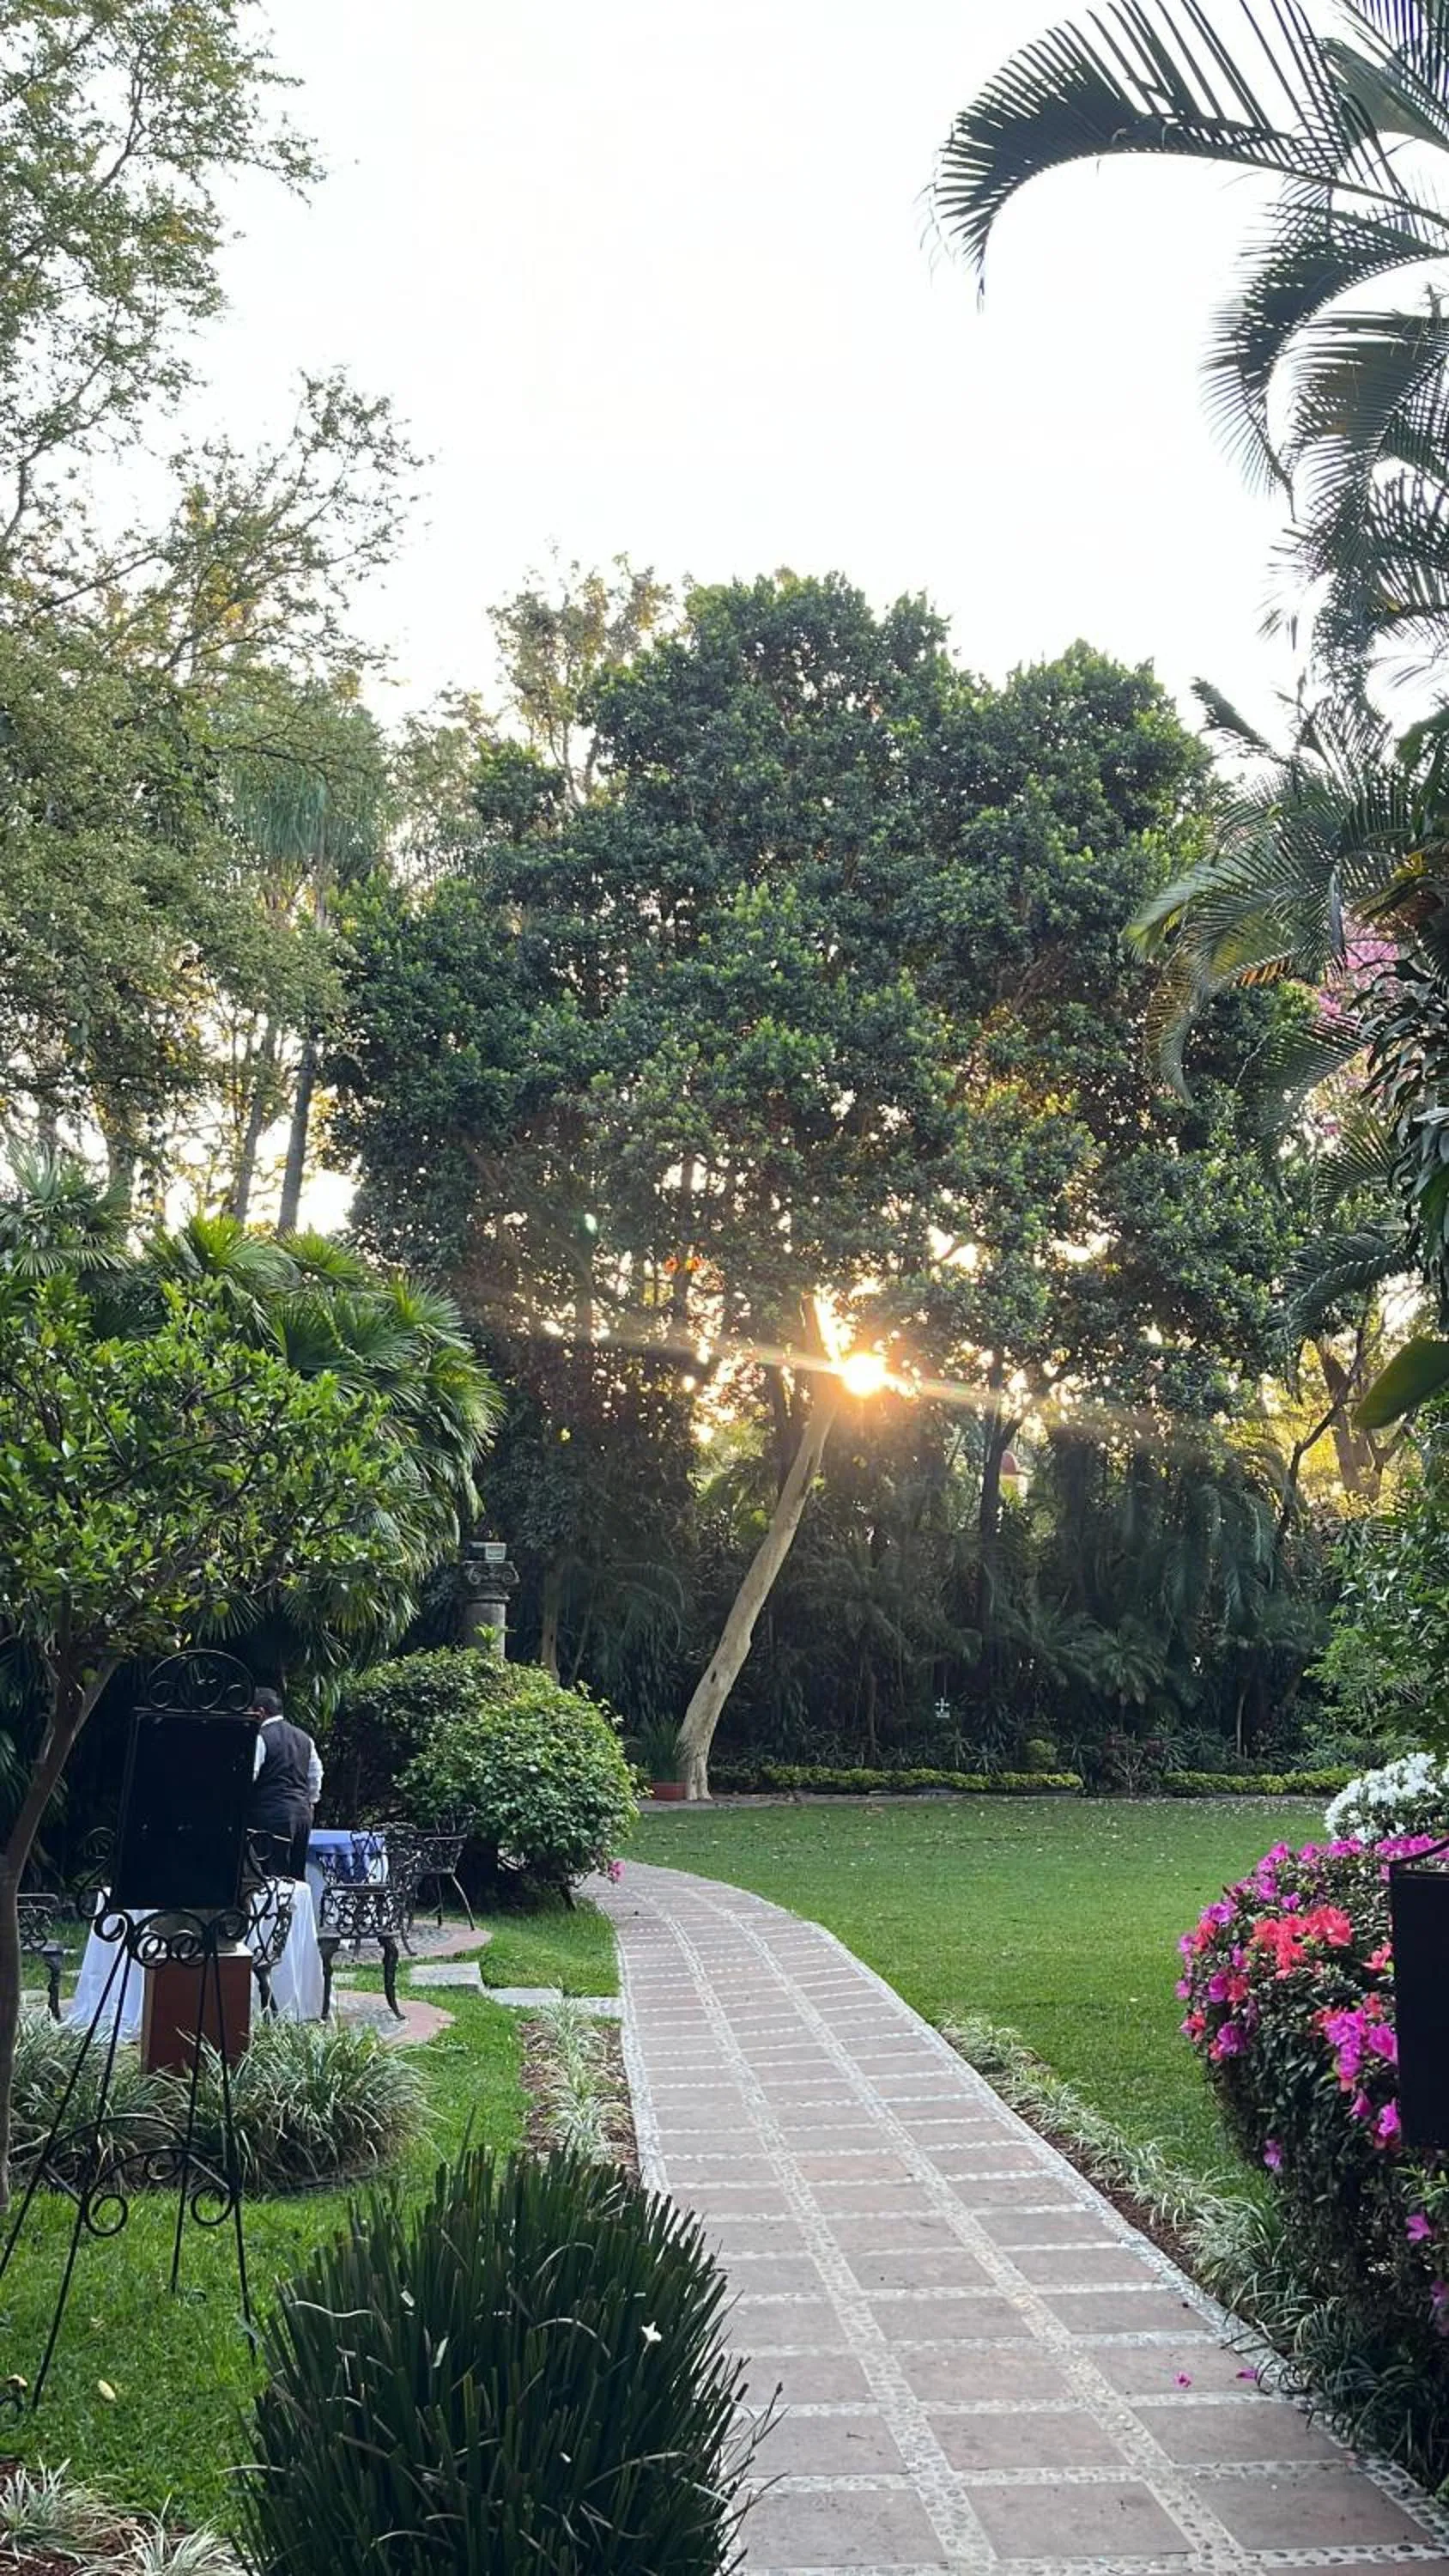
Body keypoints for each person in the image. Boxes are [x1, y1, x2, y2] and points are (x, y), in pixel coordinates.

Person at [247, 1686, 324, 1882]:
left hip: (270, 1814)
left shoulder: (261, 1737)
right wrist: (311, 1802)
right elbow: (315, 1775)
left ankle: (271, 1913)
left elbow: (250, 1775)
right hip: (301, 1815)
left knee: (270, 1875)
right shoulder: (304, 1738)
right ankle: (296, 1913)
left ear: (260, 1712)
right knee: (296, 1875)